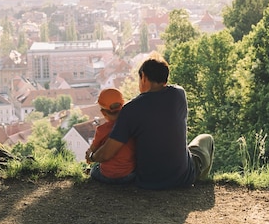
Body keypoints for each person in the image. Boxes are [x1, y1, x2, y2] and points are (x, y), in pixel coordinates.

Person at [90, 55, 214, 190]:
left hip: (149, 181)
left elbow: (107, 153)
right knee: (206, 139)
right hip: (182, 177)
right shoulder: (179, 94)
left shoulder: (131, 109)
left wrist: (92, 156)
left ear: (143, 77)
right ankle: (201, 184)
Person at [85, 88, 136, 184]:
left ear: (103, 112)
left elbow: (92, 150)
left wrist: (89, 157)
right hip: (129, 175)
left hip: (107, 176)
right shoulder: (132, 125)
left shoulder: (101, 130)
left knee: (95, 169)